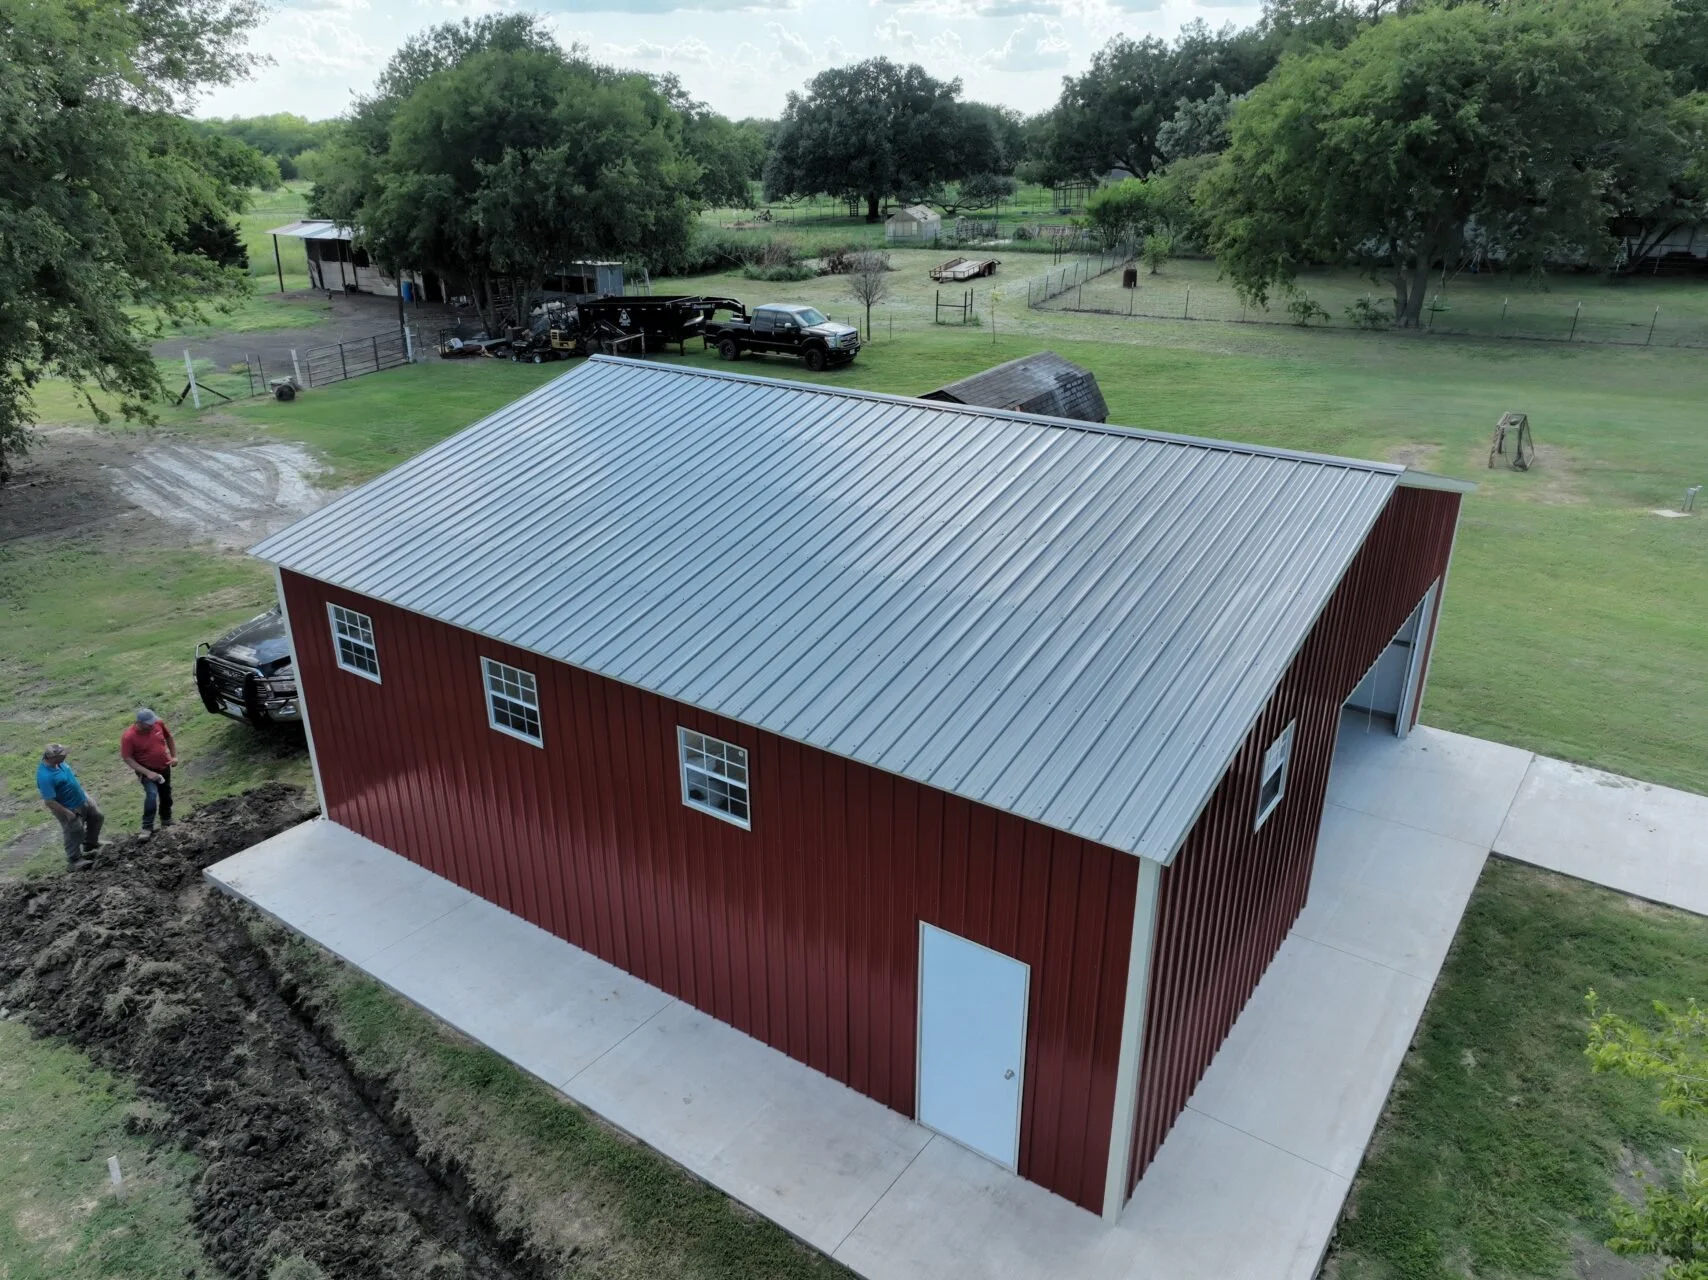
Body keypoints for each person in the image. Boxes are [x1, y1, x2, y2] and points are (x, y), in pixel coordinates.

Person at [37, 744, 104, 870]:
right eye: (62, 755)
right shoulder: (45, 776)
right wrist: (67, 812)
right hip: (68, 807)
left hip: (81, 798)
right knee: (74, 831)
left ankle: (91, 844)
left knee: (97, 816)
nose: (65, 755)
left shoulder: (60, 763)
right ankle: (74, 860)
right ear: (52, 758)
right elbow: (49, 801)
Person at [120, 708, 177, 836]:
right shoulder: (129, 736)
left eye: (153, 722)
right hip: (146, 770)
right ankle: (147, 827)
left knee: (166, 793)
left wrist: (174, 756)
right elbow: (127, 758)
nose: (152, 725)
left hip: (164, 766)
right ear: (139, 722)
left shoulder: (158, 724)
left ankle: (166, 819)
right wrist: (147, 772)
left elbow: (169, 737)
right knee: (151, 795)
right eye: (149, 724)